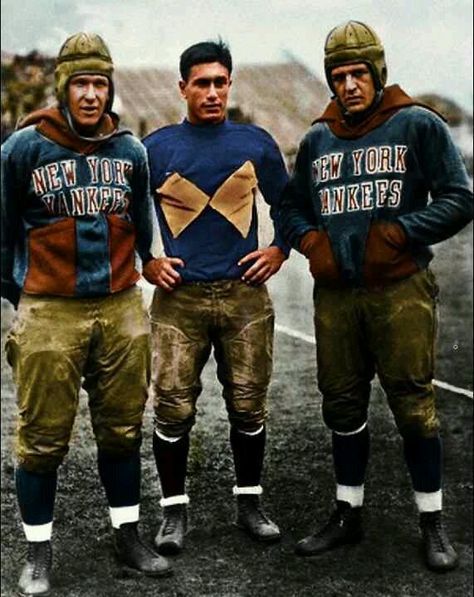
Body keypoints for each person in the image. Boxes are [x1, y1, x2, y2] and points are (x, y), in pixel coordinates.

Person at [278, 20, 473, 572]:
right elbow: (291, 206)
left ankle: (432, 521)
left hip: (399, 288)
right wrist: (309, 239)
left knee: (413, 405)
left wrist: (400, 232)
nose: (349, 86)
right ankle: (348, 512)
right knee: (342, 404)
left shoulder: (416, 124)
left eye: (358, 73)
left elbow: (459, 199)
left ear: (377, 73)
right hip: (338, 295)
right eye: (338, 76)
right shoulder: (318, 137)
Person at [1, 32, 172, 596]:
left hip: (121, 305)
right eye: (81, 83)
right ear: (63, 87)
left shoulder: (130, 151)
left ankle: (127, 536)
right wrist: (23, 294)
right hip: (50, 309)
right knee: (43, 437)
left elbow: (142, 215)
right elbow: (2, 233)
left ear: (110, 87)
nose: (92, 95)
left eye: (100, 83)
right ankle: (37, 553)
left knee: (122, 430)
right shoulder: (25, 147)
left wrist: (149, 259)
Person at [142, 39, 290, 555]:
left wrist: (279, 249)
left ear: (231, 84)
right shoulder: (156, 148)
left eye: (219, 82)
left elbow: (289, 204)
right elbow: (126, 213)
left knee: (248, 406)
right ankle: (173, 513)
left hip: (244, 295)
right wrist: (148, 259)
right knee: (172, 408)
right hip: (179, 300)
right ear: (182, 86)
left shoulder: (255, 142)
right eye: (200, 83)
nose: (211, 92)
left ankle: (249, 503)